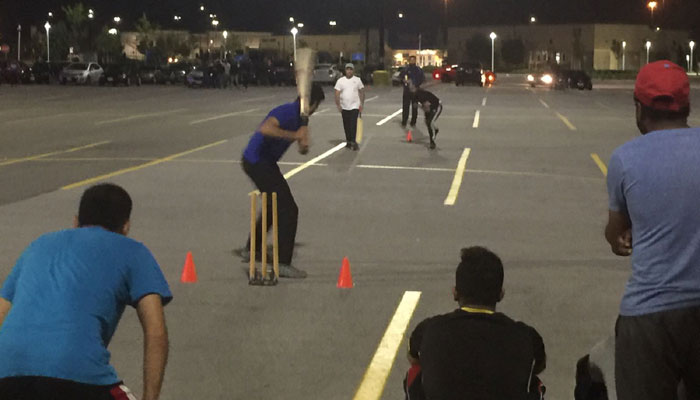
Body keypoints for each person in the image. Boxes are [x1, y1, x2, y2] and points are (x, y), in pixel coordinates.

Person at [0, 183, 172, 400]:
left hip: (7, 372)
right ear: (126, 226)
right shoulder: (134, 251)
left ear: (75, 221)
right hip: (79, 375)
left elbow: (1, 312)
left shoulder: (39, 245)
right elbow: (155, 331)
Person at [604, 60, 700, 400]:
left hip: (650, 317)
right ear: (687, 106)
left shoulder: (625, 159)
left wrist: (628, 234)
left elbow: (616, 235)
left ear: (639, 108)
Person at [406, 246, 546, 400]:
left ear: (455, 293)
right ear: (501, 294)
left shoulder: (429, 329)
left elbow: (413, 358)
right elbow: (539, 366)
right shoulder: (526, 336)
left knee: (416, 373)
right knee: (533, 382)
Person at [235, 84, 326, 279]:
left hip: (265, 162)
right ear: (313, 103)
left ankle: (251, 249)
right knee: (288, 209)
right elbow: (266, 128)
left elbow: (302, 147)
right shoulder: (287, 112)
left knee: (272, 205)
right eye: (316, 106)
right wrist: (294, 135)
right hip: (256, 161)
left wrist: (304, 145)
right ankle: (283, 263)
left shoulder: (302, 119)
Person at [334, 63, 365, 151]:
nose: (349, 71)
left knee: (353, 124)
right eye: (347, 69)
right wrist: (338, 104)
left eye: (351, 69)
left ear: (353, 71)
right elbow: (337, 93)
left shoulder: (357, 80)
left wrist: (361, 103)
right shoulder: (340, 81)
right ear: (345, 70)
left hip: (354, 106)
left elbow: (362, 91)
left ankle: (354, 142)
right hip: (344, 106)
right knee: (346, 124)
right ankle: (348, 141)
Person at [399, 56, 425, 128]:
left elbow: (422, 78)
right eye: (411, 60)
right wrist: (404, 81)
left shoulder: (418, 70)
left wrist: (416, 85)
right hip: (407, 90)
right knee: (405, 106)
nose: (412, 61)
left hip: (415, 91)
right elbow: (401, 77)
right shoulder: (405, 69)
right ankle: (404, 121)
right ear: (409, 61)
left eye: (413, 60)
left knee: (414, 106)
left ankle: (413, 121)